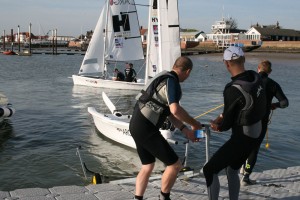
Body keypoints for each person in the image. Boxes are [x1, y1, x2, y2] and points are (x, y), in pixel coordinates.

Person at [129, 56, 202, 200]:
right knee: (175, 165)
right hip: (146, 128)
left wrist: (185, 130)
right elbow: (175, 110)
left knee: (148, 165)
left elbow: (167, 112)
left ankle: (137, 199)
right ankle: (164, 197)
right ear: (187, 71)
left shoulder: (162, 77)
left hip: (136, 124)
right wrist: (195, 124)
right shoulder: (172, 82)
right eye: (189, 74)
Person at [203, 46, 266, 200]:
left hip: (242, 138)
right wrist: (223, 115)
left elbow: (226, 125)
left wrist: (216, 125)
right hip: (256, 135)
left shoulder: (232, 89)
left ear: (226, 63)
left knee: (209, 170)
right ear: (243, 59)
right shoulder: (255, 78)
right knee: (232, 169)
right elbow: (245, 106)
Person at [240, 60, 289, 186]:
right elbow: (284, 103)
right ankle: (246, 177)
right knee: (254, 149)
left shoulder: (249, 81)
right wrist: (274, 105)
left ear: (258, 69)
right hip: (261, 121)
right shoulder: (273, 84)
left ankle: (240, 168)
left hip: (245, 119)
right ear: (270, 72)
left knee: (242, 145)